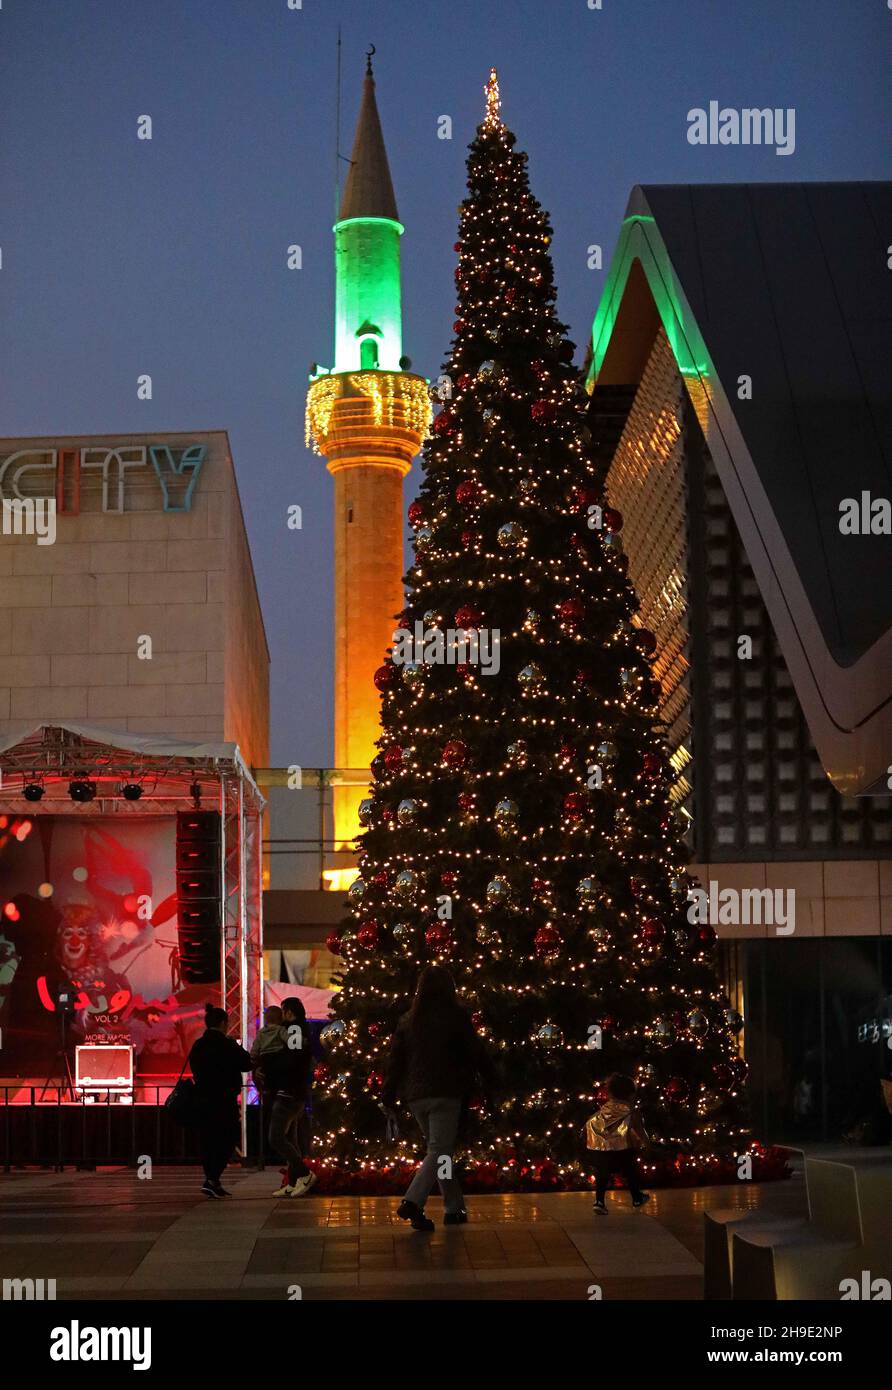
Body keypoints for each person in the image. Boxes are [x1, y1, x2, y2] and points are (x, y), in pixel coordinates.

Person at [381, 964, 496, 1232]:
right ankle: (412, 1201)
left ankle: (454, 1207)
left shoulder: (409, 1019)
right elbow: (475, 1052)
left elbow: (395, 1061)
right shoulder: (455, 1017)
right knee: (438, 1150)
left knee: (440, 1150)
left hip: (416, 1096)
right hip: (446, 1092)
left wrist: (388, 1093)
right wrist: (491, 1079)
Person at [188, 1003, 252, 1198]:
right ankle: (212, 1179)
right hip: (224, 1100)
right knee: (227, 1139)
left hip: (202, 1099)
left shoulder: (198, 1045)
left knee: (208, 1140)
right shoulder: (228, 1044)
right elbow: (246, 1063)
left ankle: (211, 1179)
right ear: (224, 1023)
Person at [261, 995, 316, 1197]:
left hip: (288, 1091)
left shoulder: (294, 1029)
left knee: (276, 1137)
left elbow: (291, 1060)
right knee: (290, 1138)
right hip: (295, 1091)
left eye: (283, 1011)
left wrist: (269, 1067)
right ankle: (293, 1182)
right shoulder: (300, 1029)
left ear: (289, 1012)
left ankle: (304, 1174)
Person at [585, 1073, 650, 1215]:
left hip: (601, 1149)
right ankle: (637, 1197)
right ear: (631, 1094)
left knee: (602, 1174)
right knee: (630, 1171)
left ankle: (599, 1202)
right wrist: (646, 1143)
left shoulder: (603, 1111)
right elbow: (638, 1128)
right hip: (622, 1149)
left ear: (610, 1093)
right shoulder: (631, 1111)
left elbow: (592, 1123)